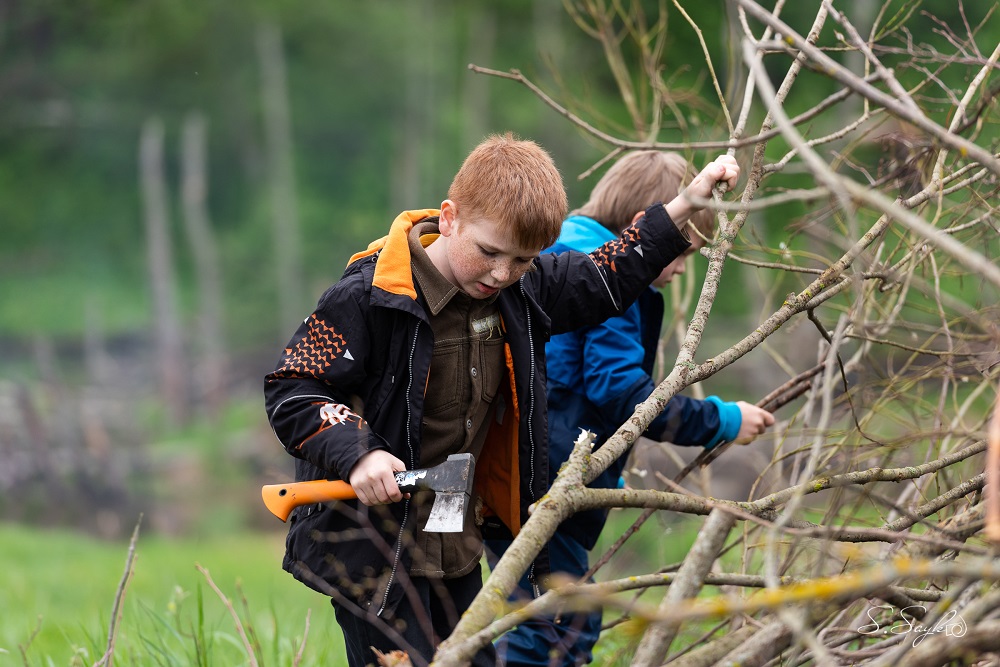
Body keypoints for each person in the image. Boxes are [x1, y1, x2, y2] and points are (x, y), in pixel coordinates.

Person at [263, 135, 740, 667]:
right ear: (450, 218)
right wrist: (359, 451)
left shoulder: (523, 290)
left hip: (454, 534)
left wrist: (683, 207)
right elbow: (294, 386)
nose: (501, 273)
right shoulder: (366, 296)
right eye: (490, 253)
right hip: (373, 550)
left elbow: (608, 272)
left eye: (521, 260)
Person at [484, 150, 774, 667]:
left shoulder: (567, 253)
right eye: (681, 252)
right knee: (553, 623)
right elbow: (619, 390)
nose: (682, 269)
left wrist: (600, 472)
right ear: (646, 225)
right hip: (540, 477)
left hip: (537, 468)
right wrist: (722, 421)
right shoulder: (607, 280)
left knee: (551, 614)